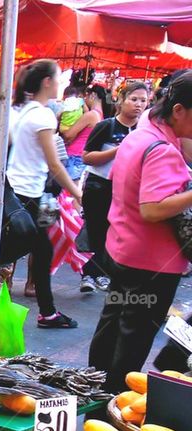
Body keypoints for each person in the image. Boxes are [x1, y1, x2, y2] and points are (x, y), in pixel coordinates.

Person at [88, 70, 192, 392]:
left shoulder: (141, 132)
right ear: (178, 111)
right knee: (133, 336)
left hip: (123, 248)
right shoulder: (160, 148)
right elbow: (152, 208)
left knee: (112, 324)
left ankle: (94, 388)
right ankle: (114, 401)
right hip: (152, 262)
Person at [5, 59, 81, 329]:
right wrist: (76, 192)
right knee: (16, 250)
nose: (60, 84)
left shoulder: (21, 110)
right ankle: (47, 312)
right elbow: (54, 164)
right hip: (28, 195)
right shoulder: (42, 115)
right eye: (58, 79)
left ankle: (48, 312)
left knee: (39, 249)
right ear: (47, 82)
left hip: (18, 191)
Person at [79, 81, 149, 293]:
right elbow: (87, 157)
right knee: (98, 231)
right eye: (133, 99)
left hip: (128, 190)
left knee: (116, 233)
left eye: (143, 100)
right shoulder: (106, 126)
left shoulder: (144, 130)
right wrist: (117, 151)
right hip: (99, 187)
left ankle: (94, 273)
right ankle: (93, 274)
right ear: (121, 100)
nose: (138, 105)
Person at [61, 84, 107, 181]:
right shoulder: (101, 115)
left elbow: (68, 135)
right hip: (83, 157)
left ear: (93, 95)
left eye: (86, 96)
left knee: (66, 191)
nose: (84, 99)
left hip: (74, 157)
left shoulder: (90, 115)